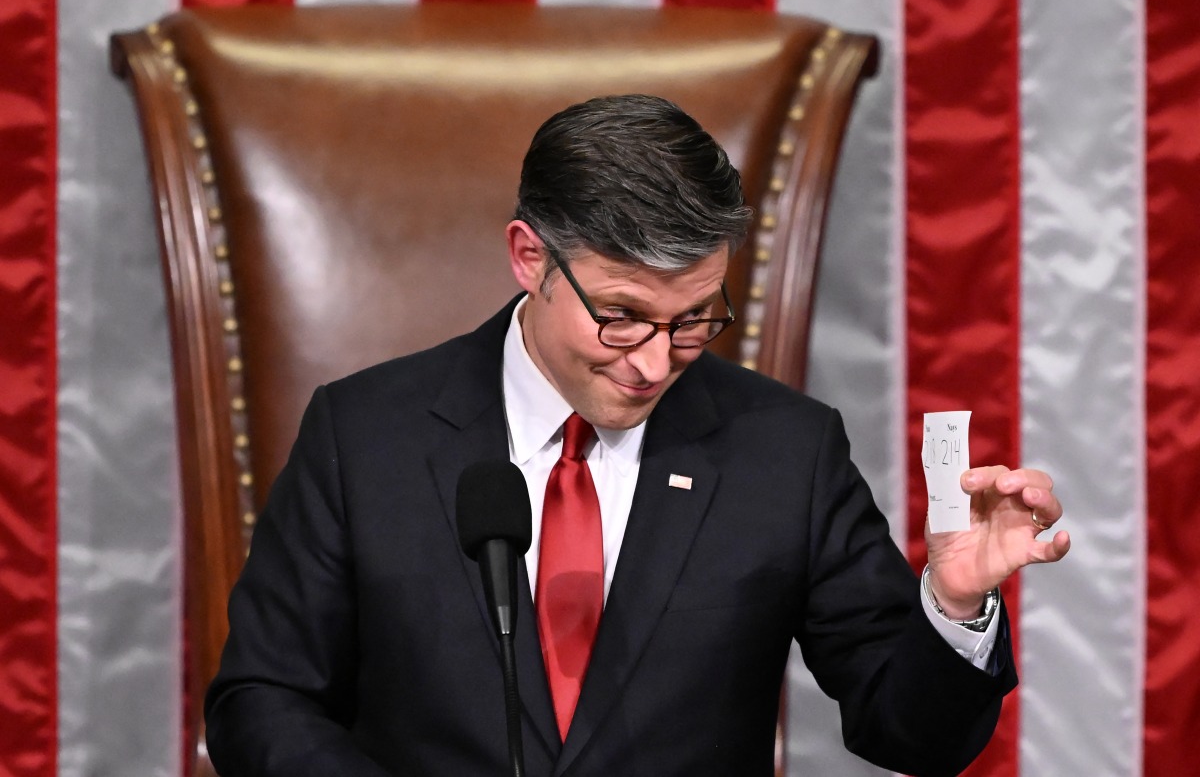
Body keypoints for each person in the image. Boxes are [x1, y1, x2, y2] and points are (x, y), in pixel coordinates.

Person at [204, 94, 1069, 777]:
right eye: (621, 317)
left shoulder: (785, 453)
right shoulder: (364, 436)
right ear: (529, 258)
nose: (656, 364)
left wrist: (954, 605)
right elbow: (262, 701)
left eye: (695, 320)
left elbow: (913, 737)